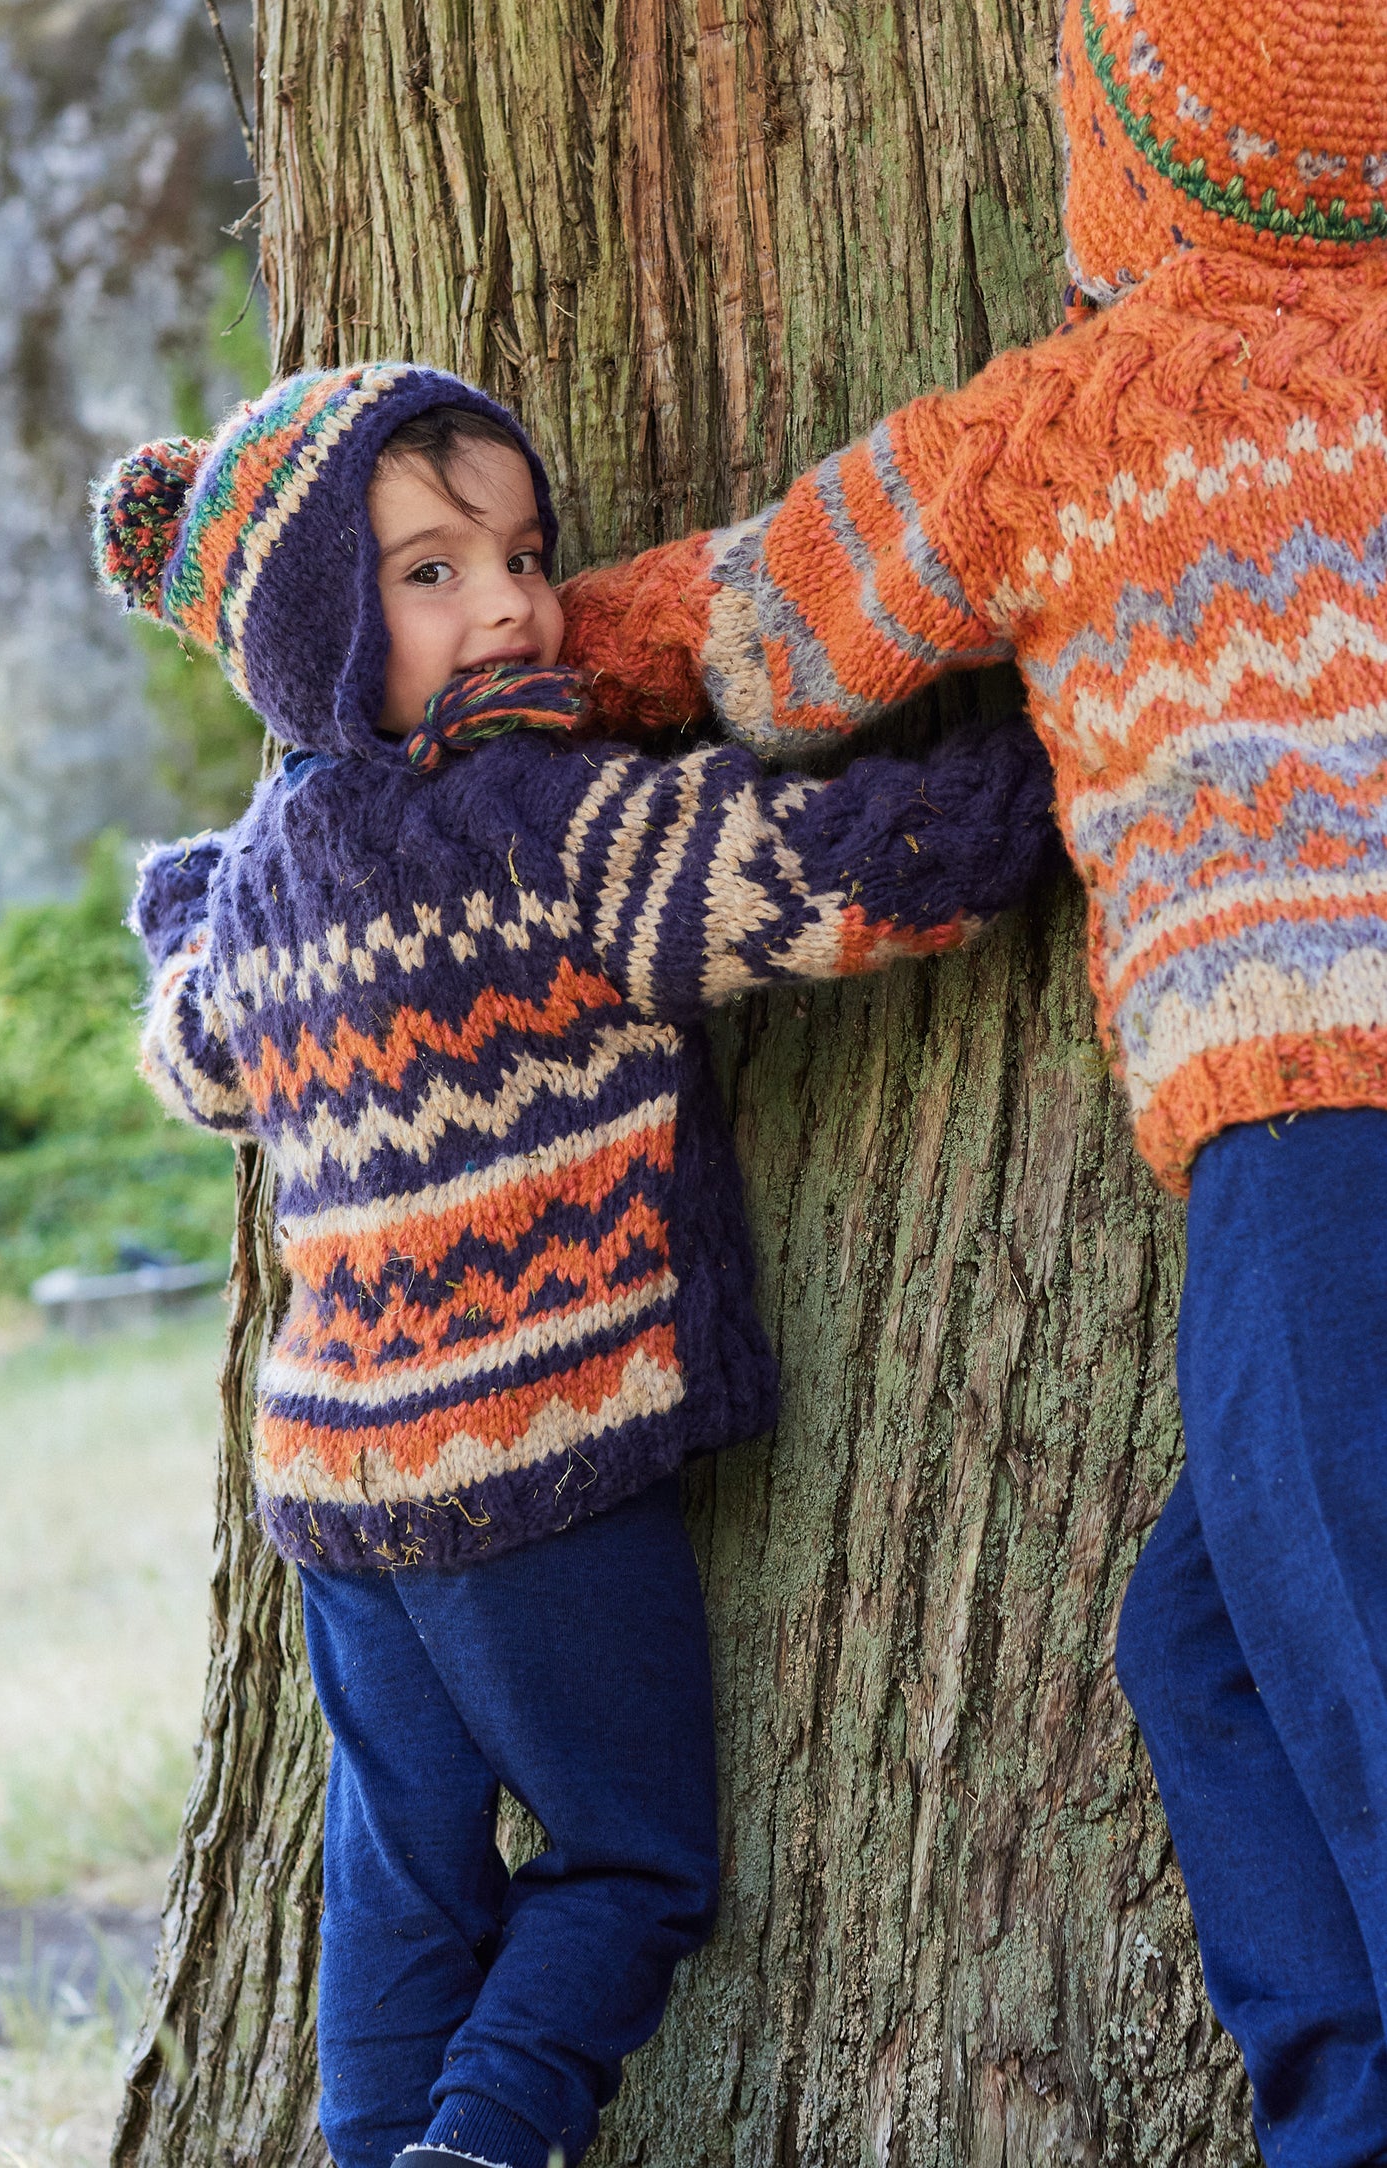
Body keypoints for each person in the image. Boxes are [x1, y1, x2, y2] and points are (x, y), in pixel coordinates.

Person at [548, 4, 1387, 2161]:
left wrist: (536, 640)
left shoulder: (1073, 419)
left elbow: (775, 627)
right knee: (1206, 1643)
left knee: (1352, 1654)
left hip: (1319, 1135)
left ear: (1134, 149)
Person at [92, 366, 1058, 2168]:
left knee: (403, 1865)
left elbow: (191, 1051)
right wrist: (1051, 740)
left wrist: (185, 898)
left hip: (338, 1481)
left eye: (521, 554)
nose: (515, 604)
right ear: (310, 631)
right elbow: (830, 881)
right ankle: (480, 2143)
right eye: (429, 574)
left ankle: (377, 2142)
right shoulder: (558, 825)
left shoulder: (271, 875)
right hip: (531, 1450)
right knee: (631, 1856)